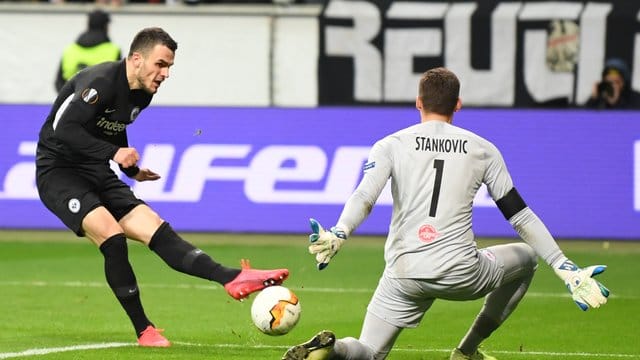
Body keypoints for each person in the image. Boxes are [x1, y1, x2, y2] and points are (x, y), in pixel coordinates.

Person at [282, 67, 610, 360]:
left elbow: (364, 196)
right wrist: (563, 266)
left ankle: (333, 349)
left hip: (404, 273)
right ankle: (466, 352)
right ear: (458, 105)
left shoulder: (391, 144)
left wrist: (340, 232)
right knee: (526, 260)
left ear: (418, 103)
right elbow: (519, 215)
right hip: (462, 273)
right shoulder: (483, 149)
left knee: (368, 352)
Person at [36, 27, 289, 347]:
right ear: (136, 59)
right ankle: (145, 330)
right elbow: (64, 128)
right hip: (58, 173)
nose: (165, 74)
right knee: (111, 236)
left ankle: (231, 277)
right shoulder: (98, 82)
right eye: (160, 64)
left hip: (96, 170)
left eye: (169, 67)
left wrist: (131, 169)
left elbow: (112, 128)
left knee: (156, 229)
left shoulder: (143, 94)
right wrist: (114, 153)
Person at [54, 9, 121, 92]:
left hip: (71, 101)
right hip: (101, 102)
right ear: (106, 26)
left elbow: (58, 82)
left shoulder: (70, 50)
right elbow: (119, 83)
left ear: (88, 24)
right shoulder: (113, 50)